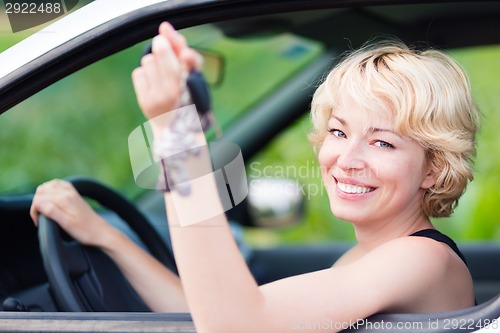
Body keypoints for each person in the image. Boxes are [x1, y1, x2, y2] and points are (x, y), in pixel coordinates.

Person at [30, 22, 479, 332]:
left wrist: (177, 134)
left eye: (382, 142)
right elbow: (207, 314)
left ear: (435, 169)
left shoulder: (422, 262)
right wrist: (105, 236)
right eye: (339, 131)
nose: (347, 158)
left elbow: (239, 326)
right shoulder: (364, 260)